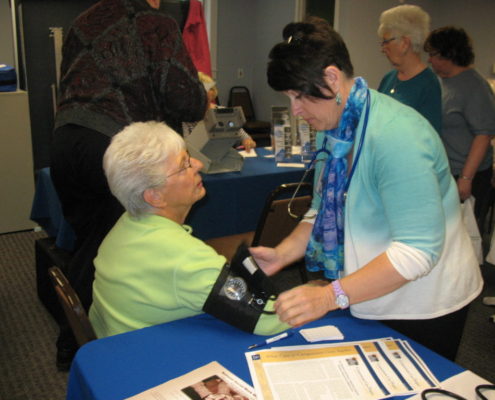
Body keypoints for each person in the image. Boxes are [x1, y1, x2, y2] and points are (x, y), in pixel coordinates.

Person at [250, 16, 483, 361]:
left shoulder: (395, 135)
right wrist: (283, 253)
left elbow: (417, 251)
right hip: (368, 290)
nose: (296, 111)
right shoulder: (336, 128)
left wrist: (330, 296)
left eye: (299, 96)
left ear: (330, 77)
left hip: (424, 303)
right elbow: (321, 210)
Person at [50, 0, 207, 369]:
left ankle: (74, 337)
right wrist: (203, 95)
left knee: (91, 242)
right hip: (115, 145)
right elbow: (185, 97)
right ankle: (90, 347)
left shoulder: (83, 18)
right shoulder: (157, 22)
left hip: (65, 140)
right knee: (118, 245)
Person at [88, 121, 288, 338]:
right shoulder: (185, 257)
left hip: (119, 348)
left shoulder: (125, 225)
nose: (198, 164)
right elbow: (268, 320)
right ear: (154, 196)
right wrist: (322, 293)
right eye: (184, 165)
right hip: (158, 360)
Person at [424, 26, 495, 229]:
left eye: (433, 54)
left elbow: (483, 135)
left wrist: (466, 178)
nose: (429, 59)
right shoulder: (439, 81)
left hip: (466, 174)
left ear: (450, 54)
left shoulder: (475, 87)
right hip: (443, 170)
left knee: (465, 236)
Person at [377, 4, 441, 133]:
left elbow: (429, 137)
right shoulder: (388, 78)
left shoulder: (429, 84)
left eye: (386, 42)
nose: (382, 49)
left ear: (405, 43)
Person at [188, 71, 257, 152]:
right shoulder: (187, 117)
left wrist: (248, 142)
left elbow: (244, 137)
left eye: (209, 89)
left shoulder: (224, 112)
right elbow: (187, 147)